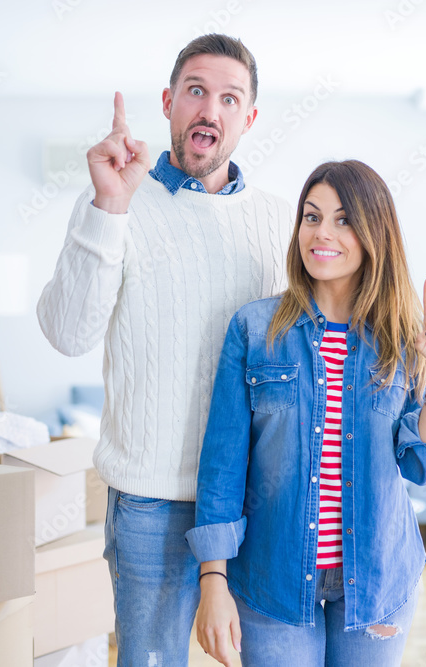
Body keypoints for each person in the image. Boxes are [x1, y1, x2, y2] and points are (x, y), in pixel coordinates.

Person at [36, 34, 292, 666]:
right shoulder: (114, 202)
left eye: (230, 99)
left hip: (253, 499)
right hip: (151, 498)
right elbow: (67, 333)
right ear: (168, 102)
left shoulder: (282, 223)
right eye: (196, 91)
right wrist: (110, 206)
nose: (211, 109)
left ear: (249, 119)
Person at [186, 160, 426, 666]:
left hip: (379, 581)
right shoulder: (254, 329)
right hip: (274, 583)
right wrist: (213, 580)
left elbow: (421, 465)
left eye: (343, 220)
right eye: (311, 217)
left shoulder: (404, 338)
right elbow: (222, 466)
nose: (322, 233)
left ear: (374, 233)